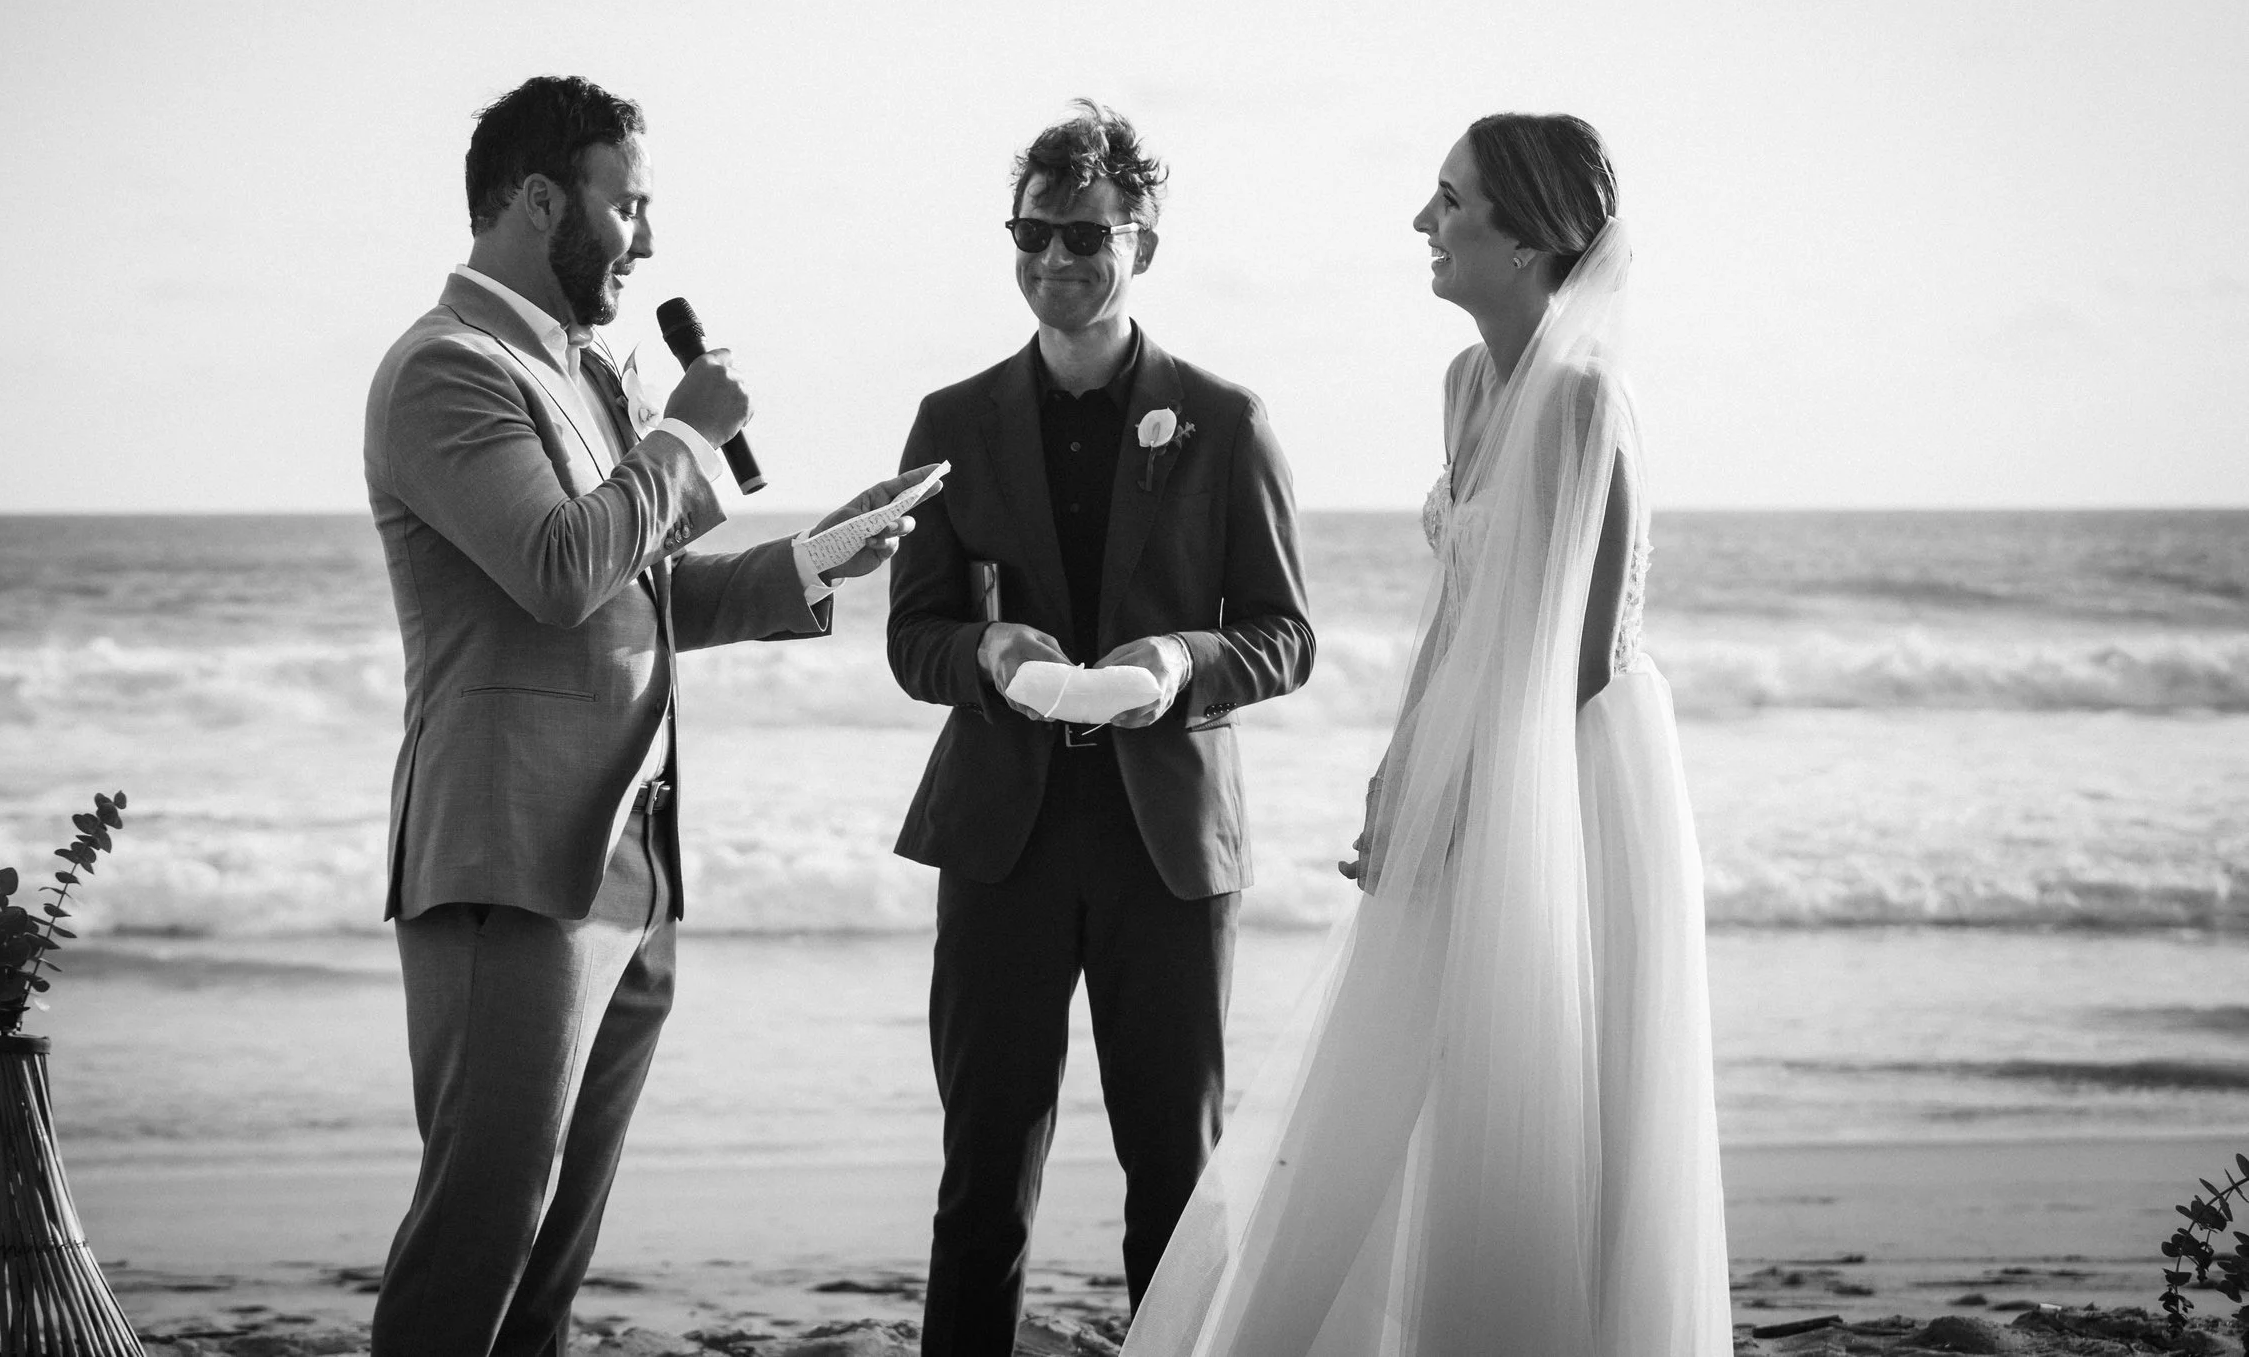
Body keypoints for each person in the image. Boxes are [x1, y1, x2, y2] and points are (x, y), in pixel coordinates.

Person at [1122, 114, 1731, 1356]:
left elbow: (1583, 651)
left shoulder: (1584, 402)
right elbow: (1455, 608)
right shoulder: (1466, 385)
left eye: (1449, 202)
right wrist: (1396, 777)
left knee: (1545, 1085)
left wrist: (1469, 796)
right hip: (1467, 755)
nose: (1422, 223)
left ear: (1528, 239)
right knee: (1405, 1063)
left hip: (1567, 778)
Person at [363, 74, 934, 1357]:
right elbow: (562, 567)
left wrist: (813, 557)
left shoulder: (578, 372)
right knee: (480, 1229)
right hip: (510, 857)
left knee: (554, 1249)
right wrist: (679, 435)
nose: (650, 241)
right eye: (630, 206)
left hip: (629, 855)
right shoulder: (444, 370)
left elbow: (643, 590)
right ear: (535, 200)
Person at [885, 101, 1316, 1357]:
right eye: (1032, 231)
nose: (1055, 258)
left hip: (1164, 850)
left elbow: (1284, 636)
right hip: (1000, 839)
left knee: (1174, 1179)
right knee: (981, 1179)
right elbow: (913, 639)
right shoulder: (951, 420)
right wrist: (989, 654)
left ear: (1143, 244)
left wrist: (1180, 659)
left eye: (1084, 233)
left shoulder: (1225, 418)